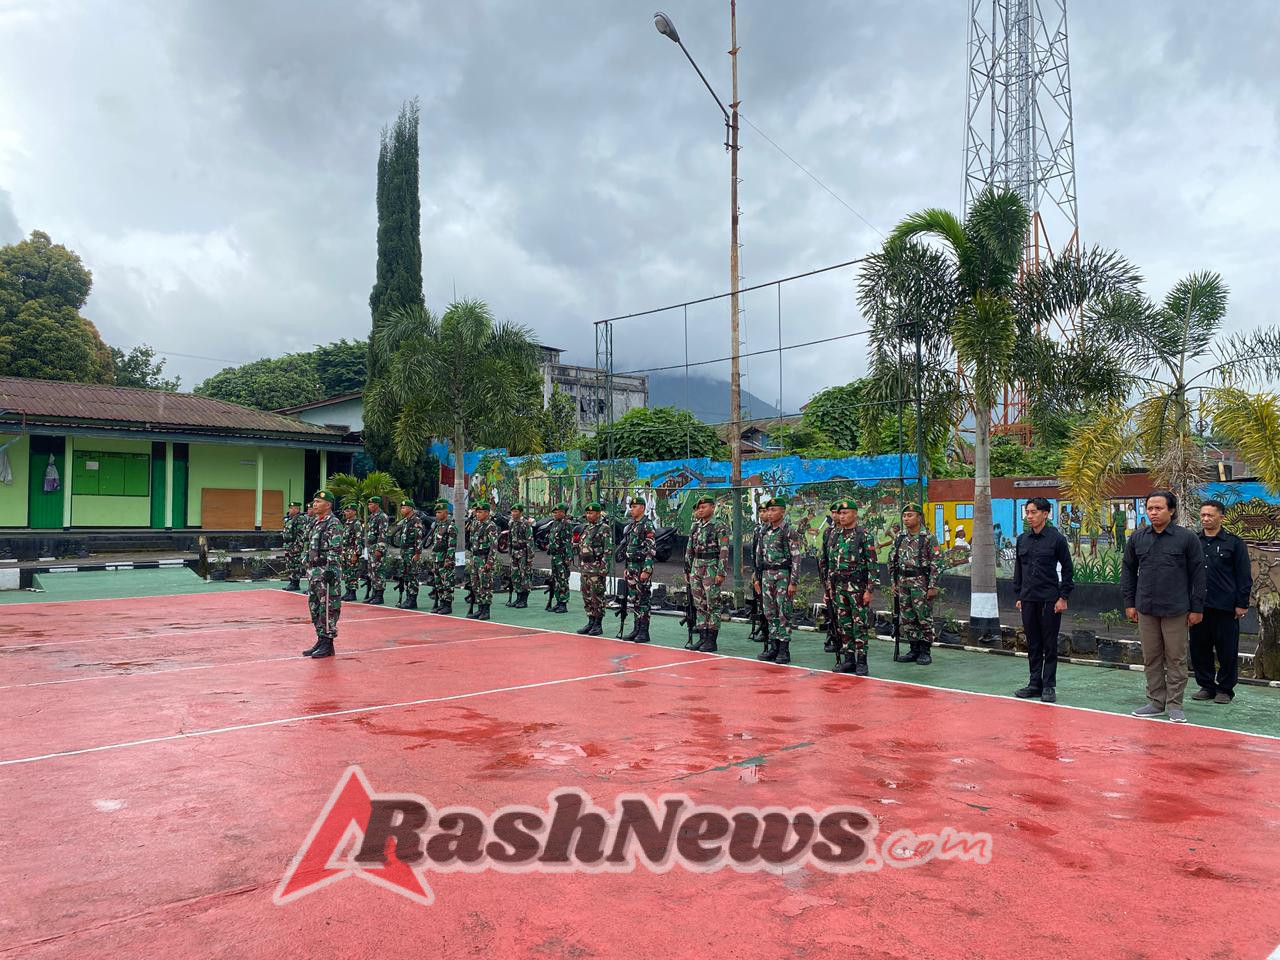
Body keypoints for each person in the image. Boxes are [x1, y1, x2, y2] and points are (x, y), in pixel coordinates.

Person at [1122, 490, 1206, 723]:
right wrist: (1129, 603)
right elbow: (1128, 570)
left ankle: (1175, 705)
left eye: (1158, 508)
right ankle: (1156, 702)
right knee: (1151, 657)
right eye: (1150, 508)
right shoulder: (1137, 538)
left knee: (1176, 658)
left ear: (1171, 510)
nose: (1153, 512)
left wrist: (1197, 608)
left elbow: (1198, 574)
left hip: (1176, 608)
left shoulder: (1187, 538)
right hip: (1146, 608)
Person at [1013, 497, 1074, 703]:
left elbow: (1068, 569)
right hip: (1028, 598)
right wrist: (1019, 595)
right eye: (1027, 512)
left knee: (1049, 644)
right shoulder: (1022, 539)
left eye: (1033, 512)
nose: (1029, 516)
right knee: (1033, 643)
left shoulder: (1057, 539)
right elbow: (1019, 569)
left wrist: (1063, 597)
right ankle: (1034, 684)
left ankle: (1048, 686)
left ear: (1045, 514)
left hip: (1050, 599)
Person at [1190, 500, 1252, 704]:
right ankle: (1206, 686)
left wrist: (1242, 603)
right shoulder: (1193, 542)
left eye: (1210, 515)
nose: (1206, 519)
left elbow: (1244, 575)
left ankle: (1225, 689)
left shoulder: (1234, 543)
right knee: (1199, 649)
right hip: (1199, 607)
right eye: (1203, 515)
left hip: (1226, 607)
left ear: (1221, 517)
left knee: (1227, 651)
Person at [829, 500, 879, 676]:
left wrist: (869, 590)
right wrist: (830, 586)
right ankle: (849, 659)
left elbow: (872, 564)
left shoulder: (864, 535)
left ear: (855, 514)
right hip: (839, 587)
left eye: (845, 513)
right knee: (844, 624)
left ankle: (862, 661)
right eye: (840, 513)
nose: (842, 516)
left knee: (860, 624)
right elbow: (831, 562)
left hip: (857, 587)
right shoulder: (835, 535)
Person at [890, 503, 943, 665]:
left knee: (923, 616)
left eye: (910, 515)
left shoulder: (928, 538)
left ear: (919, 517)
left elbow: (937, 563)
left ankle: (925, 651)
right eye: (904, 516)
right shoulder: (900, 537)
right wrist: (894, 582)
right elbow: (892, 560)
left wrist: (933, 586)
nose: (906, 519)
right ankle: (913, 649)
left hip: (921, 583)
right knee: (908, 617)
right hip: (903, 582)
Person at [753, 497, 802, 664]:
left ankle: (783, 649)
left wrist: (793, 582)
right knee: (769, 612)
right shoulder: (763, 531)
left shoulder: (788, 531)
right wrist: (757, 577)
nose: (769, 513)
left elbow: (796, 558)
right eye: (768, 510)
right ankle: (773, 646)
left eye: (773, 510)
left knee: (783, 612)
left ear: (783, 511)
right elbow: (758, 555)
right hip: (767, 575)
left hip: (782, 576)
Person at [301, 491, 345, 659]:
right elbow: (308, 544)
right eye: (314, 501)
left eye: (318, 501)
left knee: (328, 607)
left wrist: (330, 569)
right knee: (315, 606)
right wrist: (305, 561)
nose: (315, 504)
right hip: (314, 572)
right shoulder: (315, 522)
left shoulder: (334, 523)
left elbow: (336, 549)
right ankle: (320, 639)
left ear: (328, 505)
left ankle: (328, 642)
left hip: (326, 572)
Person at [684, 494, 729, 652]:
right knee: (700, 603)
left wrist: (721, 572)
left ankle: (711, 639)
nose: (701, 510)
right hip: (696, 566)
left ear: (713, 507)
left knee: (713, 603)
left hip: (711, 567)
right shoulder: (695, 526)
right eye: (699, 508)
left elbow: (724, 550)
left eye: (704, 507)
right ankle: (702, 637)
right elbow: (689, 548)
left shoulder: (719, 525)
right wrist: (687, 569)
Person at [620, 497, 657, 642]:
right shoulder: (632, 526)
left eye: (635, 506)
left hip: (642, 566)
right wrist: (626, 568)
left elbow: (650, 549)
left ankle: (644, 631)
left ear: (642, 508)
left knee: (643, 600)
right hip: (632, 567)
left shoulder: (647, 525)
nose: (632, 509)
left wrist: (647, 569)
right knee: (634, 599)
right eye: (631, 506)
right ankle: (636, 628)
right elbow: (629, 549)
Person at [575, 501, 612, 636]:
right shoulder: (586, 528)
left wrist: (603, 569)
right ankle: (590, 620)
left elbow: (607, 550)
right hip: (585, 568)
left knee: (597, 596)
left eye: (591, 513)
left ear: (598, 514)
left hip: (596, 568)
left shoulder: (604, 528)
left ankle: (598, 623)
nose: (588, 515)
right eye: (587, 513)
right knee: (587, 595)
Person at [388, 499, 425, 609]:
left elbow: (418, 539)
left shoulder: (416, 521)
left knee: (412, 576)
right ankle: (408, 598)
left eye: (404, 508)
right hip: (405, 552)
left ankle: (412, 600)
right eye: (401, 508)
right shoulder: (405, 521)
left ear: (410, 509)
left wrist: (417, 553)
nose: (402, 510)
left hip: (412, 552)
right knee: (406, 576)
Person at [466, 501, 498, 620]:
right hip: (475, 558)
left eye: (480, 512)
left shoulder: (491, 526)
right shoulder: (475, 524)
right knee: (475, 584)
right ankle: (480, 608)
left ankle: (486, 610)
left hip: (484, 559)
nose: (477, 514)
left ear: (487, 513)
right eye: (477, 512)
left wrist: (490, 562)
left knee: (485, 584)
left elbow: (493, 546)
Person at [817, 502, 841, 653]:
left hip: (848, 580)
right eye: (833, 512)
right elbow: (824, 558)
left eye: (837, 512)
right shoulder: (828, 532)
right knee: (831, 610)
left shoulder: (853, 532)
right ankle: (833, 637)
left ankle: (846, 642)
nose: (835, 515)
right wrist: (825, 581)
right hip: (831, 579)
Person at [428, 500, 458, 614]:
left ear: (446, 512)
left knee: (447, 583)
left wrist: (448, 560)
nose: (437, 514)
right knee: (438, 583)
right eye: (436, 512)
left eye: (439, 512)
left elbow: (452, 545)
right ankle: (441, 603)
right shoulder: (438, 525)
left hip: (445, 558)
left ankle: (447, 605)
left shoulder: (451, 526)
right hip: (437, 558)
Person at [506, 503, 535, 608]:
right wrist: (510, 552)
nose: (513, 513)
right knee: (515, 576)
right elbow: (509, 538)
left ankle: (524, 599)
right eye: (512, 511)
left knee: (525, 576)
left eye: (516, 511)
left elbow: (530, 541)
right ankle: (518, 597)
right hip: (515, 552)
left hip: (523, 553)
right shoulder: (511, 523)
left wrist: (530, 557)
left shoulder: (525, 524)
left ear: (521, 512)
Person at [546, 503, 573, 614]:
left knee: (563, 579)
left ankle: (563, 603)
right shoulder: (555, 523)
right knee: (556, 579)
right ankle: (558, 601)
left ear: (562, 513)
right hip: (555, 556)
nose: (554, 514)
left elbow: (568, 543)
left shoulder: (566, 524)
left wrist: (568, 558)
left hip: (562, 556)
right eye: (554, 513)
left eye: (557, 512)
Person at [363, 495, 389, 605]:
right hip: (371, 547)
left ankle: (379, 595)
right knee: (372, 571)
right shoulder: (372, 517)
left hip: (377, 548)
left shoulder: (382, 516)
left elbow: (383, 534)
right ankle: (374, 593)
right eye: (369, 504)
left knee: (378, 571)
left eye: (371, 504)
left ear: (377, 505)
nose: (369, 506)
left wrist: (380, 549)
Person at [339, 499, 363, 602]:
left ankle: (352, 593)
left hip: (352, 551)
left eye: (348, 511)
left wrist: (356, 554)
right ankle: (348, 591)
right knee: (346, 572)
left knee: (352, 572)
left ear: (354, 512)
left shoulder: (356, 524)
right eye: (345, 511)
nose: (346, 513)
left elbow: (358, 539)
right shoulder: (347, 523)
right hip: (345, 551)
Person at [281, 501, 305, 591]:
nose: (291, 510)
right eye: (290, 508)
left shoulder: (299, 519)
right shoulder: (288, 519)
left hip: (295, 544)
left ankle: (295, 583)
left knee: (295, 564)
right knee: (289, 564)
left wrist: (298, 546)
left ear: (298, 509)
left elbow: (300, 534)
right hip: (288, 544)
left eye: (294, 508)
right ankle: (291, 581)